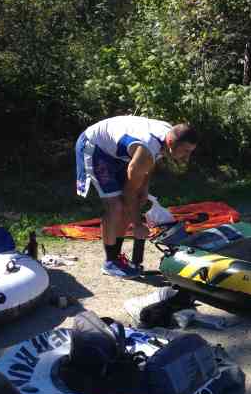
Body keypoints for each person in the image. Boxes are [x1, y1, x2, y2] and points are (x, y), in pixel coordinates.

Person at [75, 115, 198, 278]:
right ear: (171, 143)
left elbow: (151, 161)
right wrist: (138, 225)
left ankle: (116, 257)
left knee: (135, 200)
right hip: (95, 147)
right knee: (115, 206)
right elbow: (129, 192)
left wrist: (144, 187)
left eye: (190, 152)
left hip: (118, 151)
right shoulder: (147, 148)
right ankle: (110, 262)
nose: (187, 157)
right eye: (185, 151)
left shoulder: (167, 135)